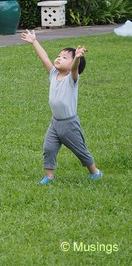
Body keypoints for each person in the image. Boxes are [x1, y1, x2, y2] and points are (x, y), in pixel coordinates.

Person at [21, 29, 103, 184]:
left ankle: (95, 172)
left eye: (64, 57)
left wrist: (77, 58)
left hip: (69, 124)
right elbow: (44, 58)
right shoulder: (53, 74)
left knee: (80, 150)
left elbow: (73, 68)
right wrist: (34, 41)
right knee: (49, 148)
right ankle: (49, 176)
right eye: (59, 56)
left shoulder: (72, 79)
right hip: (55, 122)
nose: (58, 58)